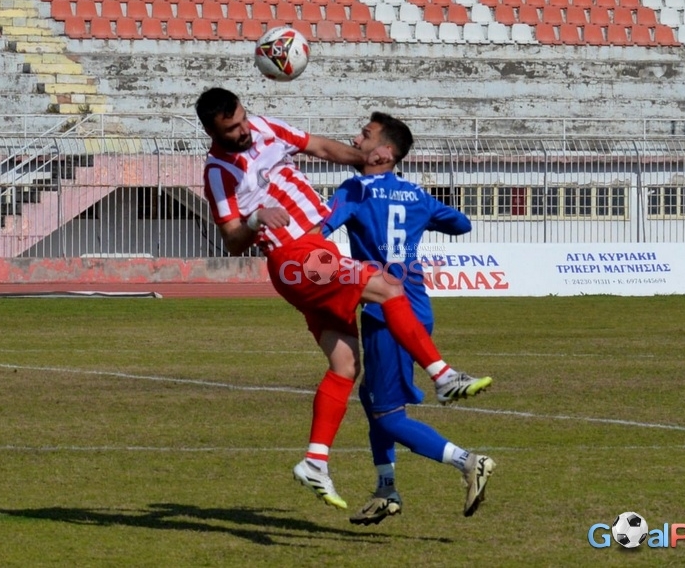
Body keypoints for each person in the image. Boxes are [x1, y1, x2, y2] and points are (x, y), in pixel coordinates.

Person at [196, 88, 491, 510]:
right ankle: (443, 376)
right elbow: (231, 240)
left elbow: (320, 147)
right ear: (212, 131)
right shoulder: (217, 170)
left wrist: (363, 159)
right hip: (296, 255)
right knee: (387, 287)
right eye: (232, 129)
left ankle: (316, 461)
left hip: (312, 254)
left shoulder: (264, 127)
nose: (243, 131)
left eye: (243, 120)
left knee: (346, 364)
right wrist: (256, 218)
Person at [322, 112, 496, 524]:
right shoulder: (415, 194)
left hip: (385, 311)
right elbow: (461, 224)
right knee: (371, 396)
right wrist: (422, 212)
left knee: (389, 414)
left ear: (384, 152)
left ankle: (469, 462)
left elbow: (321, 228)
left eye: (365, 135)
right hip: (415, 306)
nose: (355, 139)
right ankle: (385, 488)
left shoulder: (355, 189)